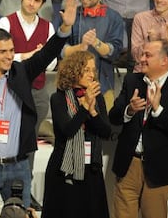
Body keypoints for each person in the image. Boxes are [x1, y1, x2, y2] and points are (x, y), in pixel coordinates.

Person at [0, 0, 76, 218]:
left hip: (18, 167)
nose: (9, 56)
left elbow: (46, 54)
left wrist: (65, 27)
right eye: (3, 52)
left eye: (11, 50)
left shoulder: (21, 73)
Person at [109, 40, 168, 218]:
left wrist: (158, 110)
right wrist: (129, 110)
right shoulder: (131, 81)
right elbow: (113, 116)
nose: (142, 58)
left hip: (160, 168)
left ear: (164, 61)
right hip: (129, 164)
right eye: (142, 54)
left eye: (148, 55)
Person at [0, 0, 56, 211]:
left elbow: (52, 62)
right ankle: (4, 189)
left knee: (29, 144)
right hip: (10, 91)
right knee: (5, 141)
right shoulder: (6, 22)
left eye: (37, 0)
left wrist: (37, 59)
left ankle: (24, 192)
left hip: (37, 91)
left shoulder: (48, 27)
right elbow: (1, 57)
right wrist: (30, 55)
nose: (32, 3)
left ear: (42, 3)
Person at [41, 51, 111, 218]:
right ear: (73, 71)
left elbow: (106, 132)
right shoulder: (58, 98)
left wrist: (93, 110)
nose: (91, 74)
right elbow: (67, 130)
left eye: (93, 70)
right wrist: (84, 107)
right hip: (64, 171)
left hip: (91, 170)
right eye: (86, 70)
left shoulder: (98, 98)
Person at [56, 0, 123, 110]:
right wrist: (81, 47)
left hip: (103, 87)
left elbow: (115, 52)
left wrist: (95, 42)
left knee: (103, 129)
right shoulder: (71, 14)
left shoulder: (114, 17)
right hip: (71, 87)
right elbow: (60, 50)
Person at [104, 0, 160, 72]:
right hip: (112, 4)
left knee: (136, 59)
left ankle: (131, 87)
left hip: (138, 8)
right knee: (107, 55)